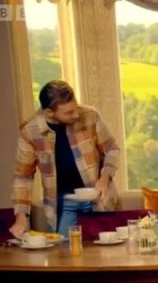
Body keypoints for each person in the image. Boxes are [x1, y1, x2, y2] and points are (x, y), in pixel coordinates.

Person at [10, 80, 120, 237]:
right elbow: (23, 177)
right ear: (49, 112)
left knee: (107, 252)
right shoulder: (29, 131)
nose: (76, 115)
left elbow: (112, 149)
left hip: (98, 199)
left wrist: (104, 178)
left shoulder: (90, 116)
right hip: (64, 204)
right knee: (63, 254)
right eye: (68, 113)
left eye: (75, 108)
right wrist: (21, 218)